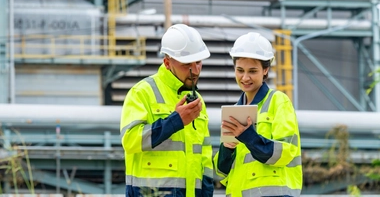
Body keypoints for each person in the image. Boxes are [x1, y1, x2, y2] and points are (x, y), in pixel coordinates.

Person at [120, 24, 214, 197]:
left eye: (199, 62)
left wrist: (207, 191)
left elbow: (205, 155)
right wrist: (175, 121)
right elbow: (130, 140)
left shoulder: (198, 101)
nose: (195, 70)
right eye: (187, 64)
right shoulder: (142, 92)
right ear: (167, 63)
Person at [214, 32, 303, 197]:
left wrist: (249, 137)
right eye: (240, 70)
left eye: (252, 71)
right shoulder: (234, 111)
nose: (245, 77)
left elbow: (285, 152)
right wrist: (226, 149)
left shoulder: (278, 101)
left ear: (265, 70)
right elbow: (221, 174)